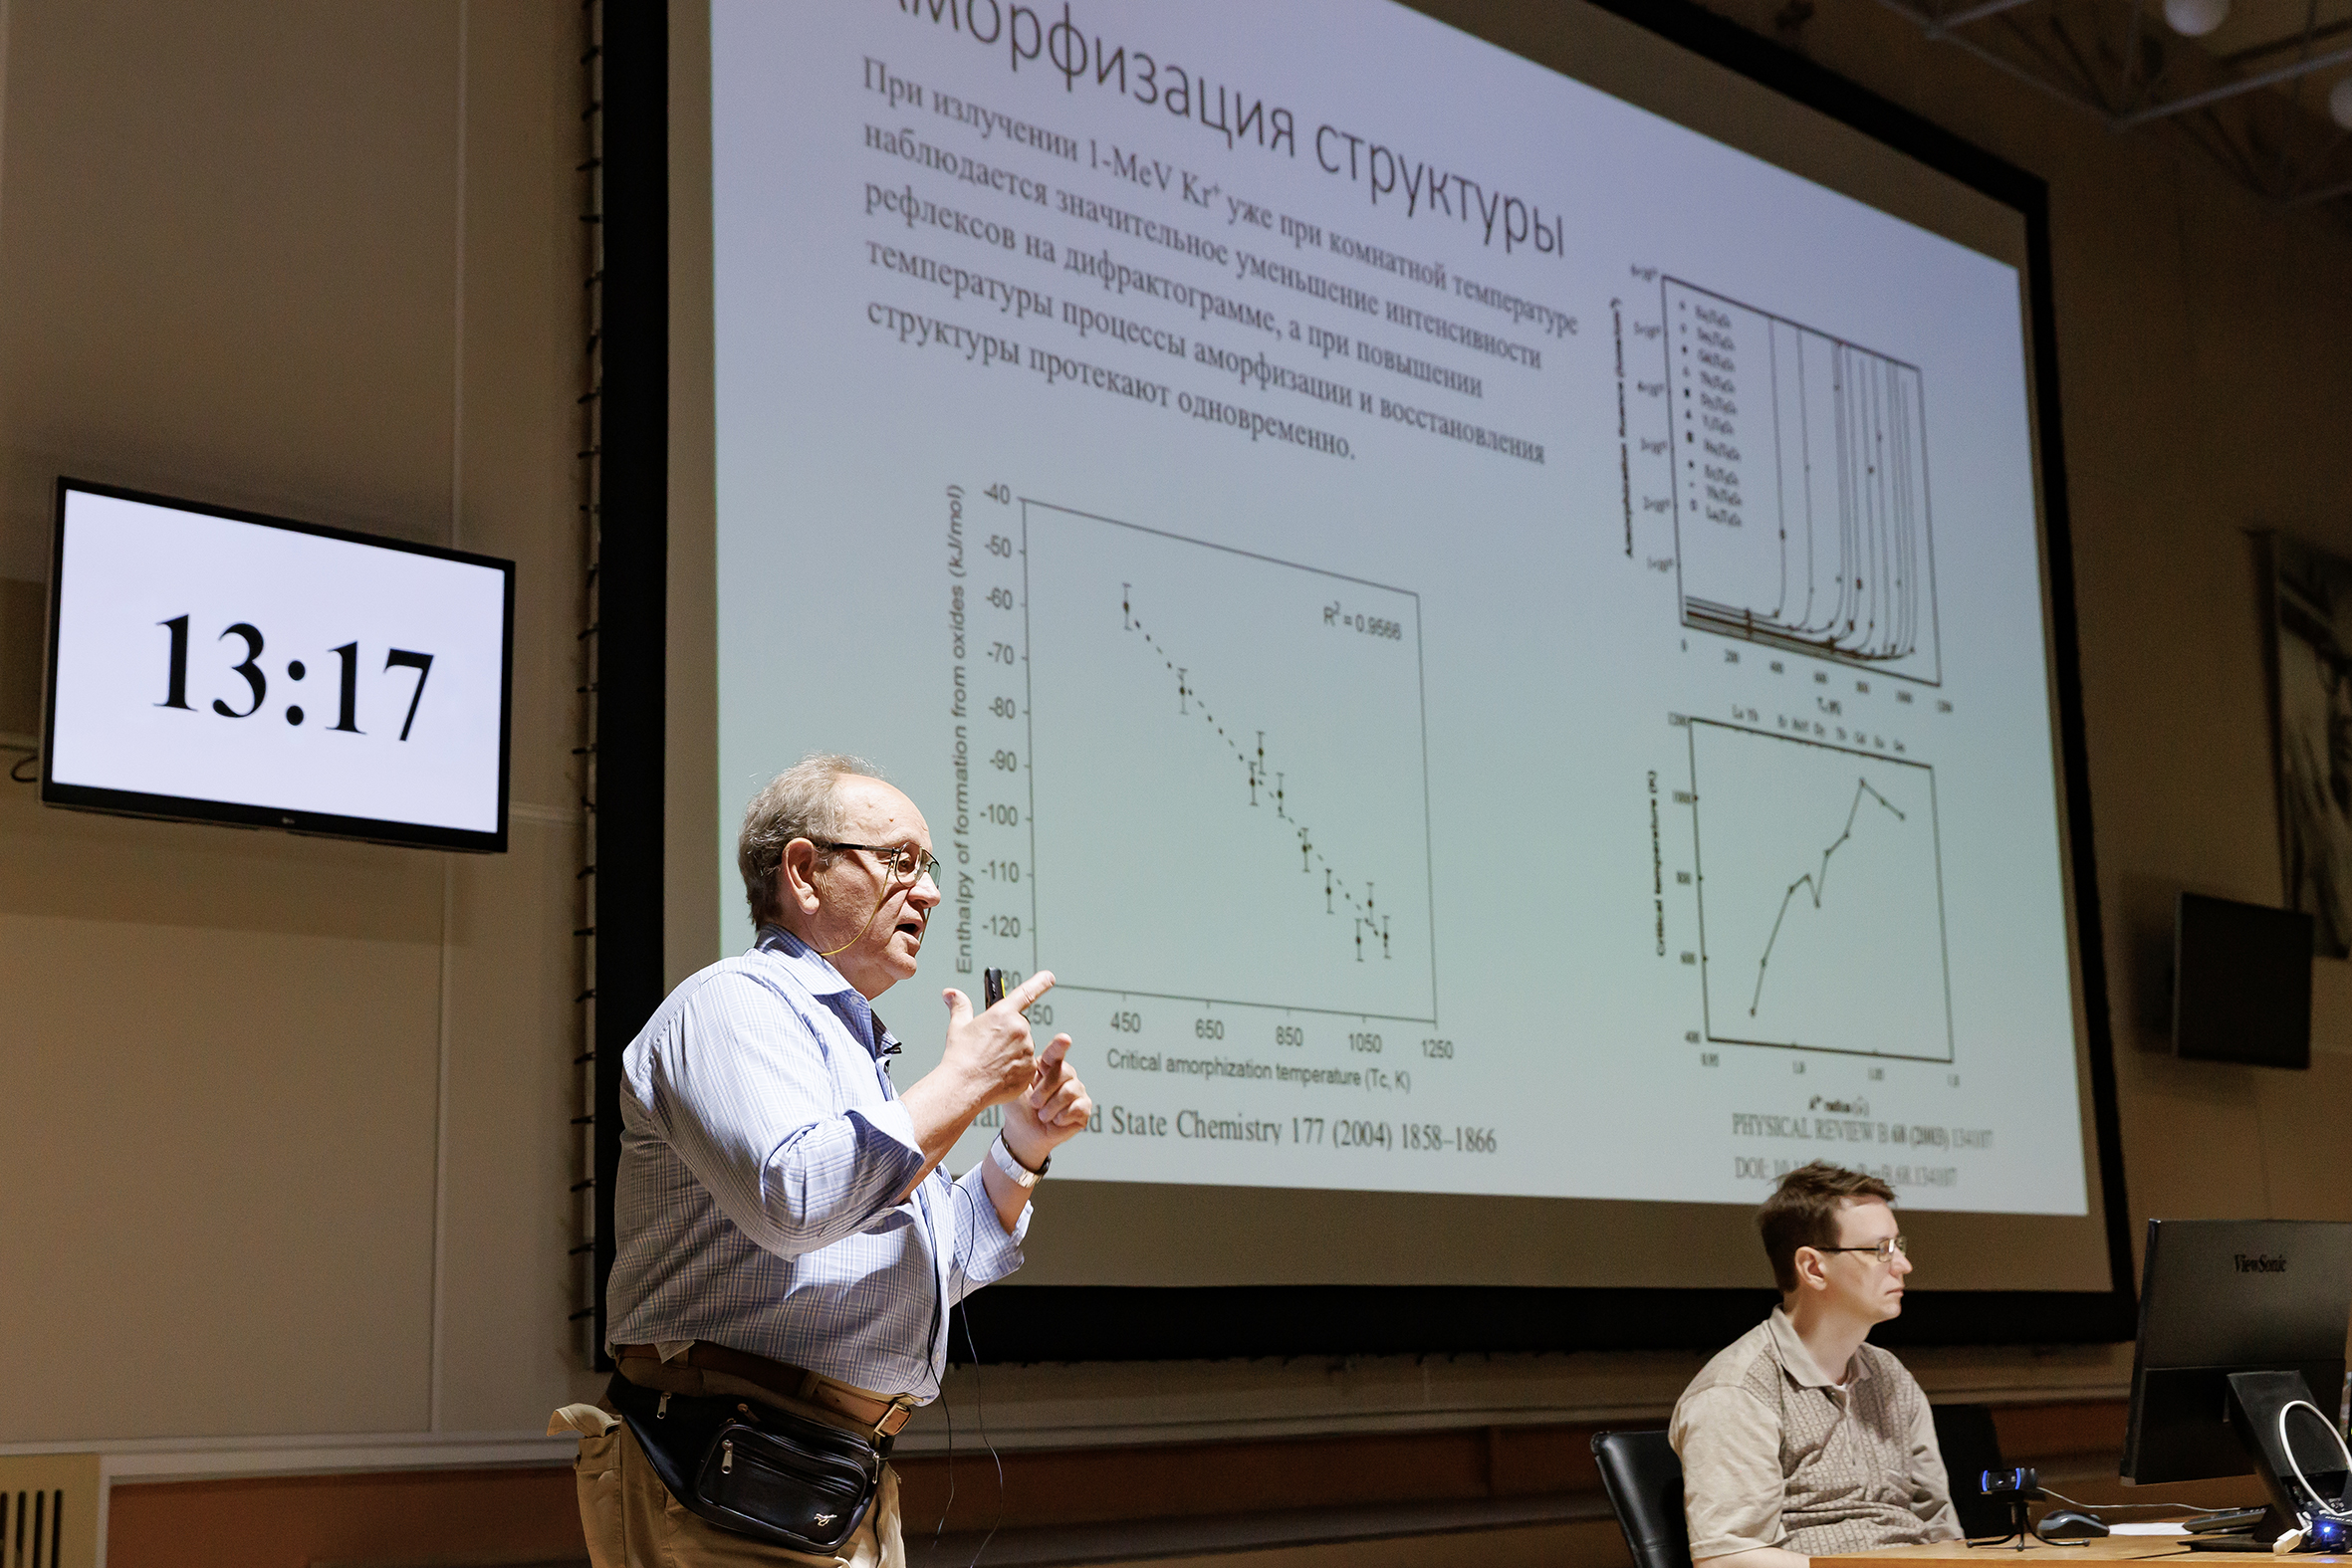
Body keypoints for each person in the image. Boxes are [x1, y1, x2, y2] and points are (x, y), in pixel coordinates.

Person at [555, 754, 1093, 1566]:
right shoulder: (732, 1005)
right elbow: (796, 1200)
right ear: (805, 872)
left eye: (930, 866)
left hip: (833, 1485)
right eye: (901, 860)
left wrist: (1023, 1144)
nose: (930, 891)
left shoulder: (855, 1053)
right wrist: (962, 1080)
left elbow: (938, 1260)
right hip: (720, 1479)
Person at [1670, 1162, 1960, 1568]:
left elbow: (1940, 1527)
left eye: (1899, 1245)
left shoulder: (1890, 1375)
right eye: (1881, 1249)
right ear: (1812, 1268)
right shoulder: (1736, 1390)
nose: (1903, 1265)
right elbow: (1726, 1557)